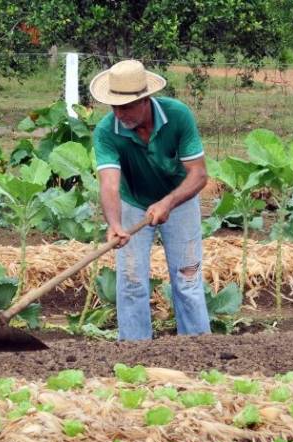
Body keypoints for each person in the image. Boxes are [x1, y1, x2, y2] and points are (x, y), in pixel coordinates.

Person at [90, 59, 211, 341]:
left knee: (187, 279)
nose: (119, 113)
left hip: (179, 200)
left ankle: (198, 348)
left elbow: (199, 175)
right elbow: (109, 183)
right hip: (133, 202)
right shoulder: (107, 131)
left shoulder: (177, 116)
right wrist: (115, 224)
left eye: (127, 106)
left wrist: (167, 203)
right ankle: (134, 351)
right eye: (114, 106)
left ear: (146, 99)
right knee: (131, 282)